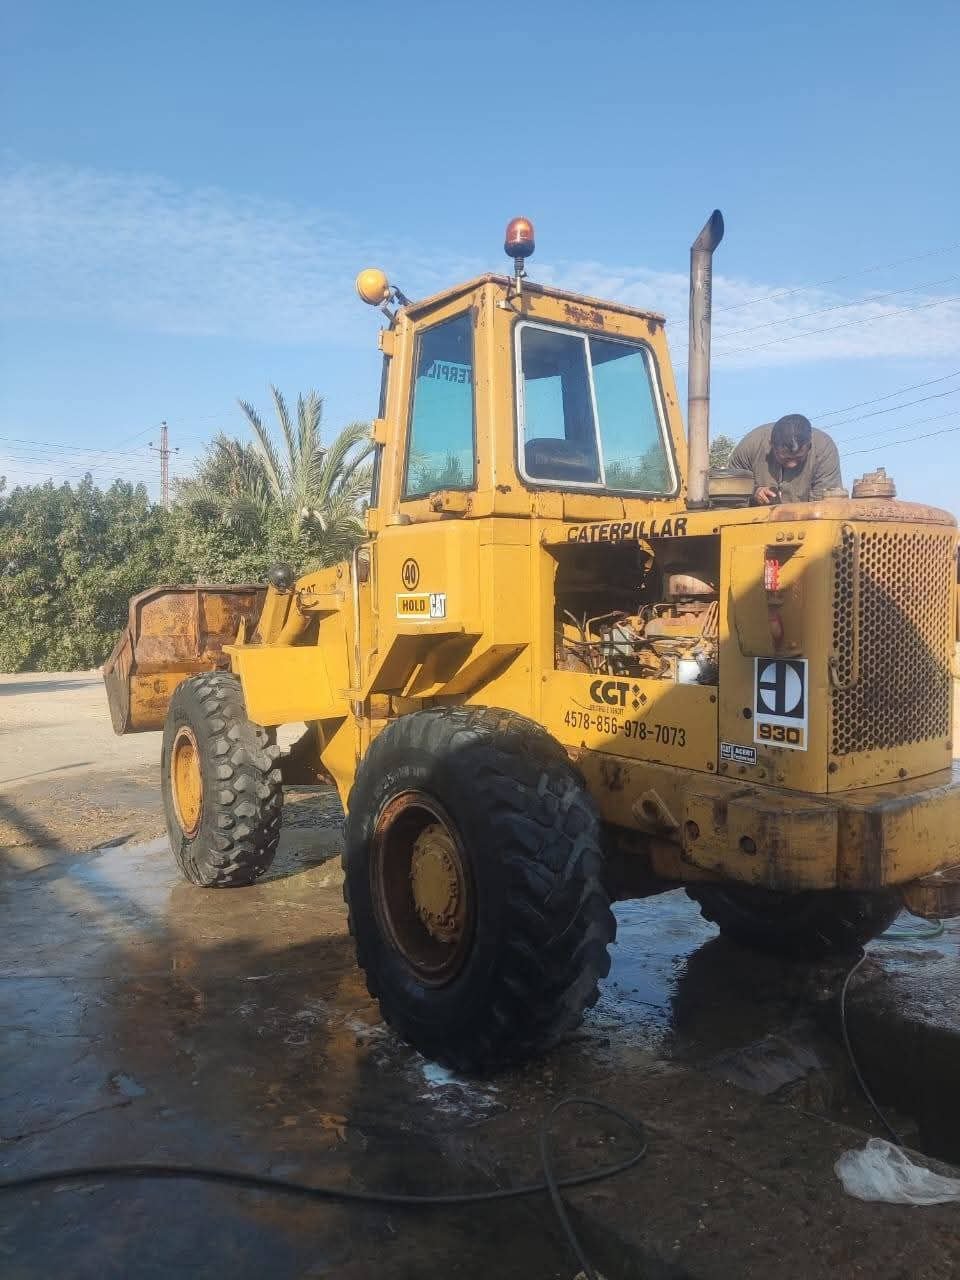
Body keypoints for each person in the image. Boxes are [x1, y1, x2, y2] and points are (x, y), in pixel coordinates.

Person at [728, 413, 843, 505]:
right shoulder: (751, 445)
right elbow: (730, 489)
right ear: (771, 445)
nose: (792, 464)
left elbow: (827, 503)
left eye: (799, 458)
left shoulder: (824, 449)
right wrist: (754, 492)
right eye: (785, 458)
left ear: (809, 446)